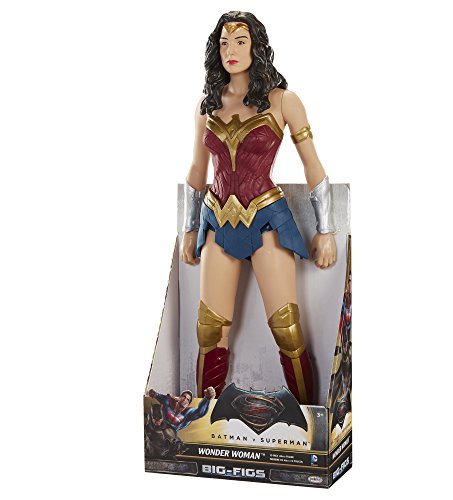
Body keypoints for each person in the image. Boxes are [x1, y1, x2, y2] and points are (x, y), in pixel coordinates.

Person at [180, 11, 336, 405]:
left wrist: (327, 229)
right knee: (209, 331)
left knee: (287, 329)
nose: (230, 50)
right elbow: (197, 170)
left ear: (257, 47)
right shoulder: (206, 106)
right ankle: (205, 419)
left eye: (240, 41)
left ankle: (308, 422)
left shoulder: (283, 101)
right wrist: (187, 226)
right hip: (218, 221)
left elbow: (313, 165)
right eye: (224, 43)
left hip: (267, 221)